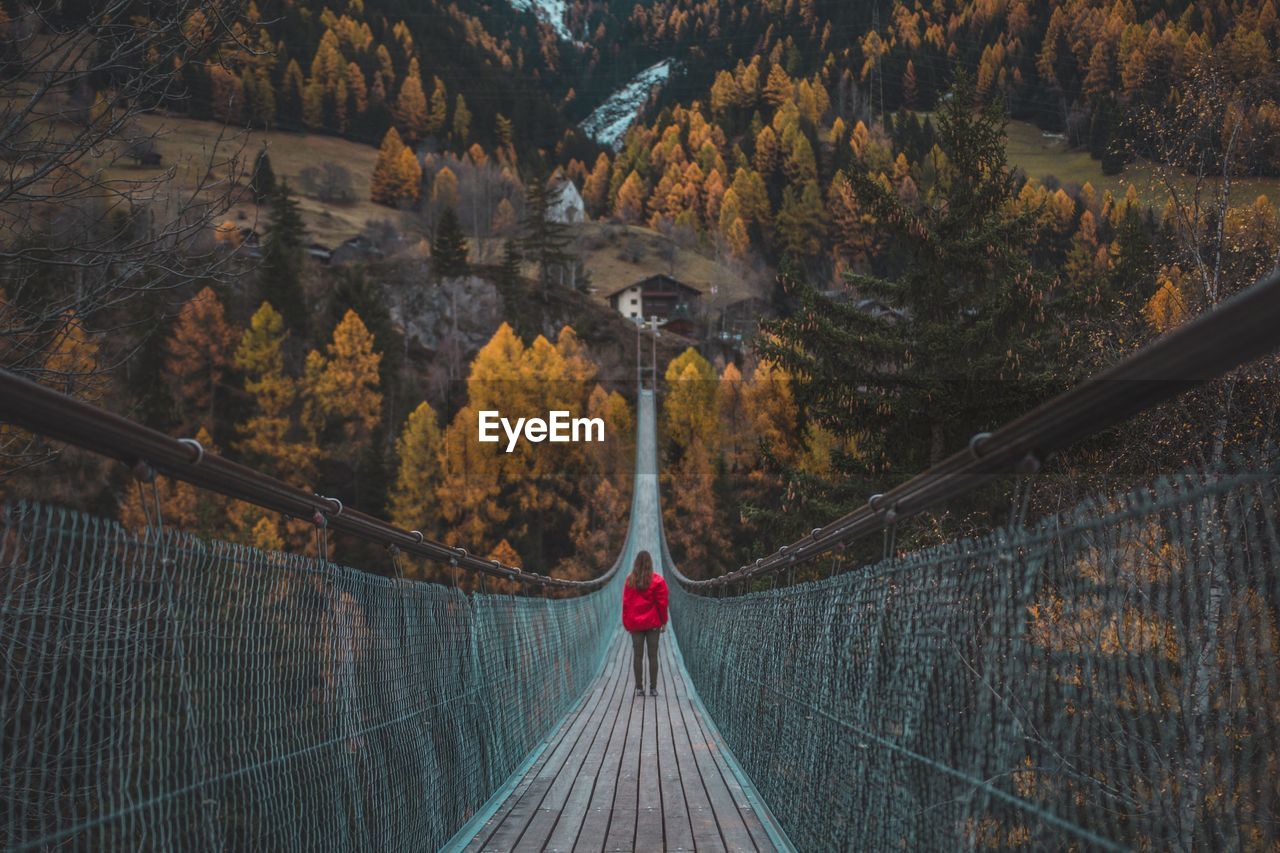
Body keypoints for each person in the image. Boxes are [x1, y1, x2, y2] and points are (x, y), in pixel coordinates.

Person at [621, 549, 668, 697]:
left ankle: (639, 688)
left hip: (635, 624)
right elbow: (662, 604)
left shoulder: (630, 580)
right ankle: (653, 689)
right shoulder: (658, 581)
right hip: (653, 623)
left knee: (638, 656)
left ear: (635, 564)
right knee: (653, 656)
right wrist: (663, 621)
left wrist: (627, 624)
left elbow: (626, 604)